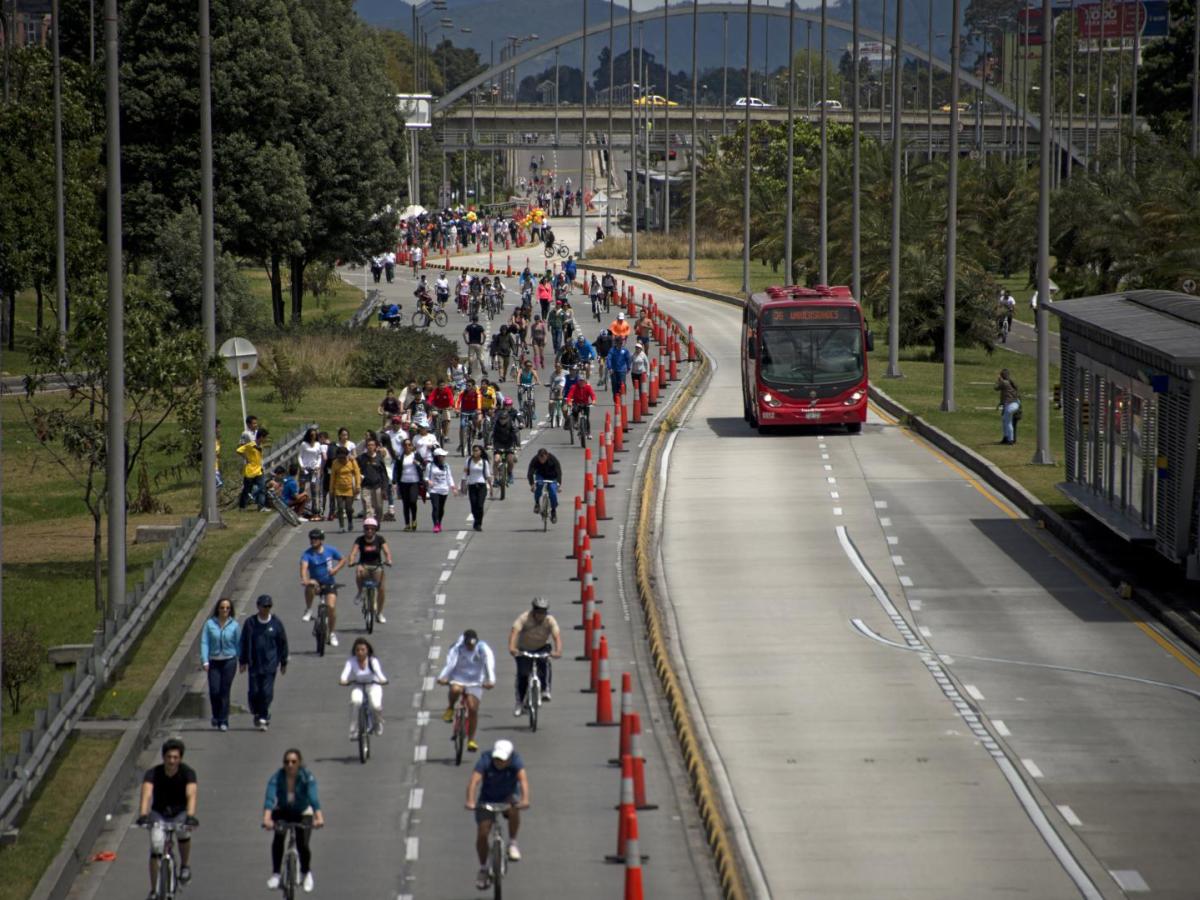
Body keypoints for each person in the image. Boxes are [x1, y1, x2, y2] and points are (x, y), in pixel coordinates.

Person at [136, 737, 199, 895]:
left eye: (175, 757)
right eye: (169, 757)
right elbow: (146, 793)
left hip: (180, 813)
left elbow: (191, 794)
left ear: (180, 758)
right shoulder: (153, 773)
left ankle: (184, 866)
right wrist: (143, 814)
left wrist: (190, 816)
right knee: (156, 847)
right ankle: (153, 890)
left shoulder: (188, 773)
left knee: (183, 832)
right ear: (163, 757)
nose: (172, 761)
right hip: (159, 814)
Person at [465, 739, 530, 889]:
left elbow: (523, 781)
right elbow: (474, 782)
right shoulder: (485, 760)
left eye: (502, 760)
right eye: (497, 759)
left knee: (514, 809)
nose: (499, 762)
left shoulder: (516, 761)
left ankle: (512, 842)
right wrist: (470, 801)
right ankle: (483, 868)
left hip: (508, 797)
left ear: (509, 758)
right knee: (482, 833)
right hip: (487, 799)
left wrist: (525, 800)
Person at [262, 749, 324, 893]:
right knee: (278, 837)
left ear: (299, 763)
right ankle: (276, 874)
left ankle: (306, 873)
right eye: (287, 762)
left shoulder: (307, 777)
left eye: (293, 762)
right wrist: (267, 819)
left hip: (302, 811)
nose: (290, 765)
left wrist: (319, 817)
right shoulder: (277, 777)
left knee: (303, 843)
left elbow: (313, 798)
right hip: (283, 810)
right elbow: (270, 798)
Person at [437, 629, 497, 753]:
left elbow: (489, 664)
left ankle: (471, 740)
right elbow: (450, 664)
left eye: (473, 645)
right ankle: (450, 708)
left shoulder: (483, 648)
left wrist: (491, 680)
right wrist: (442, 677)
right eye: (468, 644)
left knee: (473, 708)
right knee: (455, 689)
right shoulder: (457, 648)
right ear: (464, 642)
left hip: (475, 680)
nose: (471, 647)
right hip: (459, 677)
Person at [239, 595, 288, 731]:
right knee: (254, 692)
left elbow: (282, 643)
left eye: (269, 606)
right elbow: (244, 642)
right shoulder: (250, 623)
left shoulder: (276, 623)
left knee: (266, 692)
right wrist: (243, 661)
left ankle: (264, 716)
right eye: (264, 606)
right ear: (258, 606)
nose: (266, 609)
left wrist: (283, 662)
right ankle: (257, 711)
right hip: (254, 664)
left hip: (270, 664)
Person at [508, 597, 563, 715]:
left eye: (543, 612)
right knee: (522, 675)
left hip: (542, 647)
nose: (541, 615)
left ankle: (545, 689)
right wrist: (512, 648)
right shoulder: (524, 618)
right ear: (533, 610)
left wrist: (558, 651)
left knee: (545, 663)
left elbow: (556, 636)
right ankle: (519, 703)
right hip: (524, 649)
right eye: (538, 611)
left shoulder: (550, 620)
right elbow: (514, 632)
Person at [201, 597, 241, 731]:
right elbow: (204, 642)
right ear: (218, 609)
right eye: (222, 607)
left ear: (230, 610)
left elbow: (238, 643)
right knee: (214, 690)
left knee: (225, 691)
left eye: (227, 608)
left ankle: (223, 720)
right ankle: (216, 715)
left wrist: (242, 661)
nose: (225, 610)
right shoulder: (209, 624)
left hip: (229, 660)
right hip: (214, 661)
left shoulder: (234, 625)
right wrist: (205, 660)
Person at [300, 529, 345, 647]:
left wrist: (336, 569)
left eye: (315, 539)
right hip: (316, 582)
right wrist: (305, 579)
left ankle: (332, 633)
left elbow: (342, 560)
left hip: (329, 582)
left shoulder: (330, 550)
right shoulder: (307, 554)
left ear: (321, 540)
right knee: (310, 585)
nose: (313, 541)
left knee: (331, 607)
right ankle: (309, 609)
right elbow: (304, 568)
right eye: (311, 539)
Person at [340, 638, 388, 739]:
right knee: (355, 702)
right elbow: (344, 674)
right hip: (358, 686)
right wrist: (343, 680)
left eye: (363, 650)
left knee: (375, 706)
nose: (360, 653)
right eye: (357, 650)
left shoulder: (373, 661)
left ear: (367, 650)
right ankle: (354, 731)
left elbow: (379, 673)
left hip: (373, 686)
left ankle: (378, 723)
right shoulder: (351, 661)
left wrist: (383, 680)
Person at [348, 517, 392, 623]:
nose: (369, 531)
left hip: (377, 566)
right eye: (367, 528)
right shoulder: (360, 540)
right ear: (364, 529)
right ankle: (360, 592)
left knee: (381, 590)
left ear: (375, 529)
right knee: (358, 570)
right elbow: (353, 553)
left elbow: (387, 552)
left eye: (372, 529)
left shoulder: (380, 539)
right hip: (364, 565)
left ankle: (379, 613)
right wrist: (351, 561)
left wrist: (389, 560)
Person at [425, 447, 459, 533]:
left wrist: (453, 488)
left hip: (444, 489)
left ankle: (439, 522)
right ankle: (435, 524)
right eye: (442, 456)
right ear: (437, 457)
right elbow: (426, 477)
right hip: (434, 490)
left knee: (441, 508)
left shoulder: (446, 466)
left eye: (444, 456)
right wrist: (428, 481)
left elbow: (449, 477)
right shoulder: (430, 465)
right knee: (435, 507)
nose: (444, 458)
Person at [328, 446, 360, 533]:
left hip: (349, 488)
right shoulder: (335, 463)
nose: (341, 460)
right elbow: (332, 477)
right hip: (338, 488)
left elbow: (357, 473)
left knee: (348, 508)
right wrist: (331, 490)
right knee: (340, 507)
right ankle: (341, 526)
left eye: (343, 457)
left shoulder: (352, 461)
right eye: (339, 458)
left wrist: (358, 486)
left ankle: (350, 521)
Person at [395, 437, 425, 531]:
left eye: (409, 445)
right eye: (405, 445)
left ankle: (414, 519)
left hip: (414, 482)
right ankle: (407, 524)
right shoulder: (400, 457)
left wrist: (418, 463)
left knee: (413, 501)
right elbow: (397, 470)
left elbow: (423, 466)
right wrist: (395, 482)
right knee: (406, 504)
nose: (407, 447)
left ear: (412, 446)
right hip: (403, 482)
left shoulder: (416, 455)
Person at [237, 427, 268, 512]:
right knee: (247, 489)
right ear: (261, 437)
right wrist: (246, 458)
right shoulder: (251, 445)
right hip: (250, 470)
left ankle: (261, 506)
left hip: (259, 470)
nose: (266, 440)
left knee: (262, 488)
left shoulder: (260, 446)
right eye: (265, 438)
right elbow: (239, 450)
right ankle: (242, 506)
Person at [526, 447, 562, 522]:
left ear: (547, 456)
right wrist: (532, 484)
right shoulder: (535, 460)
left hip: (552, 477)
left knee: (552, 491)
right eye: (540, 458)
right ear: (538, 456)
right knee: (538, 486)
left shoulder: (552, 459)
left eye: (543, 458)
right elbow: (530, 472)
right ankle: (537, 503)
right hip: (541, 475)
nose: (542, 460)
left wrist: (558, 484)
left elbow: (559, 472)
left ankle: (553, 511)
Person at [297, 428, 325, 520]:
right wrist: (301, 466)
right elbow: (300, 456)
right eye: (312, 435)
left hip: (314, 470)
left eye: (315, 435)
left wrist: (318, 466)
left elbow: (319, 457)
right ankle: (300, 511)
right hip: (305, 469)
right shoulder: (304, 444)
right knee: (302, 490)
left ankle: (315, 512)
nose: (313, 436)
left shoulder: (318, 444)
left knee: (315, 491)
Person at [462, 444, 492, 531]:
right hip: (472, 486)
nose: (475, 452)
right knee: (473, 507)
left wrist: (491, 488)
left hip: (482, 486)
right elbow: (465, 473)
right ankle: (476, 519)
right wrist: (463, 484)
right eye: (474, 450)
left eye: (477, 450)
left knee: (480, 505)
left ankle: (478, 523)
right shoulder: (468, 460)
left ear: (481, 452)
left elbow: (488, 475)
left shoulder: (484, 462)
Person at [490, 398, 521, 483]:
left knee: (510, 460)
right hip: (498, 443)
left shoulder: (511, 423)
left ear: (507, 418)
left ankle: (510, 473)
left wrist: (518, 445)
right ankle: (495, 478)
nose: (502, 421)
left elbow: (516, 433)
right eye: (501, 419)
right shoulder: (496, 424)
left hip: (509, 443)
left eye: (504, 419)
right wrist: (489, 443)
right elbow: (491, 433)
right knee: (496, 460)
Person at [565, 371, 597, 437]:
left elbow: (592, 395)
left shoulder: (588, 387)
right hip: (577, 403)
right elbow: (569, 396)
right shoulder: (574, 387)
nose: (581, 382)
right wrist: (569, 402)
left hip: (585, 404)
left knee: (587, 418)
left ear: (585, 381)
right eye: (580, 381)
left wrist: (593, 400)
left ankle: (588, 432)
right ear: (578, 381)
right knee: (575, 411)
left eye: (583, 381)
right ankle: (576, 422)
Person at [995, 368, 1022, 445]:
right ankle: (1006, 437)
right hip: (1015, 404)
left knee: (1008, 422)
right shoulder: (1010, 382)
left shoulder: (1004, 382)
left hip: (1010, 405)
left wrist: (998, 380)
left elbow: (996, 388)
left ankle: (1010, 439)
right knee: (1005, 420)